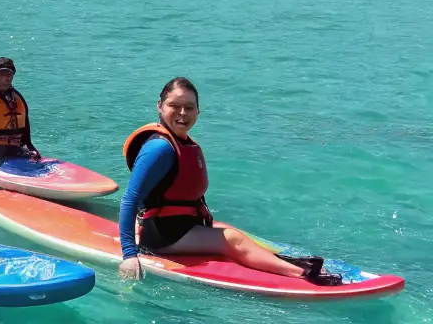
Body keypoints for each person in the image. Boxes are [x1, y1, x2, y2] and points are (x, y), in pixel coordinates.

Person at [118, 78, 342, 286]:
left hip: (182, 227)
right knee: (231, 239)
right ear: (160, 106)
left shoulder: (183, 143)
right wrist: (129, 255)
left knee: (230, 232)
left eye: (189, 107)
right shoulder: (159, 148)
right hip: (162, 236)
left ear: (198, 111)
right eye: (174, 106)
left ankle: (290, 262)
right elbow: (130, 199)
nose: (182, 113)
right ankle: (302, 274)